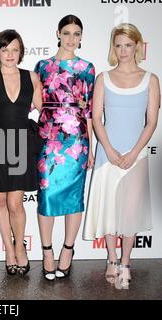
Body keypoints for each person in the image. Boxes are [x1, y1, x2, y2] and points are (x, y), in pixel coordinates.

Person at [83, 23, 160, 289]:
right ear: (113, 48)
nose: (124, 50)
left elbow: (151, 122)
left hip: (135, 155)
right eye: (119, 45)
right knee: (107, 209)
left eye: (128, 44)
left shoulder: (151, 79)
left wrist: (134, 153)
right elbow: (96, 119)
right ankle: (112, 259)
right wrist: (111, 150)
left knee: (130, 211)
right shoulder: (103, 78)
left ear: (137, 46)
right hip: (107, 153)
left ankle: (126, 262)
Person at [0, 29, 42, 276]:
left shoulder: (32, 77)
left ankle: (20, 247)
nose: (10, 54)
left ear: (20, 52)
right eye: (5, 49)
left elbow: (45, 110)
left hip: (22, 143)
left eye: (15, 49)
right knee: (0, 200)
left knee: (16, 202)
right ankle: (9, 252)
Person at [35, 15, 95, 281]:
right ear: (58, 33)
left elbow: (91, 111)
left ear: (81, 37)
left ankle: (68, 250)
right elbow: (35, 102)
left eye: (77, 33)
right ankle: (47, 251)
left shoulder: (87, 68)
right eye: (67, 33)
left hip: (77, 140)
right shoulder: (43, 66)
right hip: (49, 137)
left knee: (74, 197)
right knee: (46, 195)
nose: (72, 38)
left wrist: (90, 147)